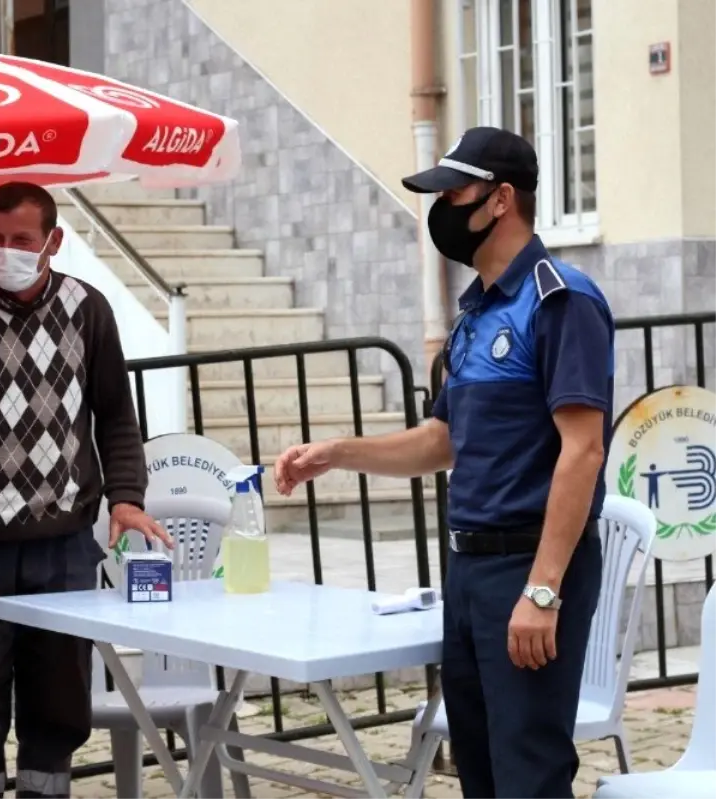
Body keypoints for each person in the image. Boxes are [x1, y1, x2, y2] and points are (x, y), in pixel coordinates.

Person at [274, 127, 613, 799]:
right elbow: (442, 440)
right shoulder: (474, 316)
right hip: (468, 571)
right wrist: (338, 453)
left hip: (528, 567)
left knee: (528, 772)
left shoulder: (559, 300)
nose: (442, 208)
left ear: (501, 199)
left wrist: (543, 590)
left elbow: (584, 449)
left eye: (453, 192)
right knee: (481, 769)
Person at [0, 181, 172, 799]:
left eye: (20, 240)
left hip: (64, 543)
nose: (4, 252)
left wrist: (126, 498)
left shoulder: (89, 310)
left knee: (59, 699)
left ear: (53, 241)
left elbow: (115, 415)